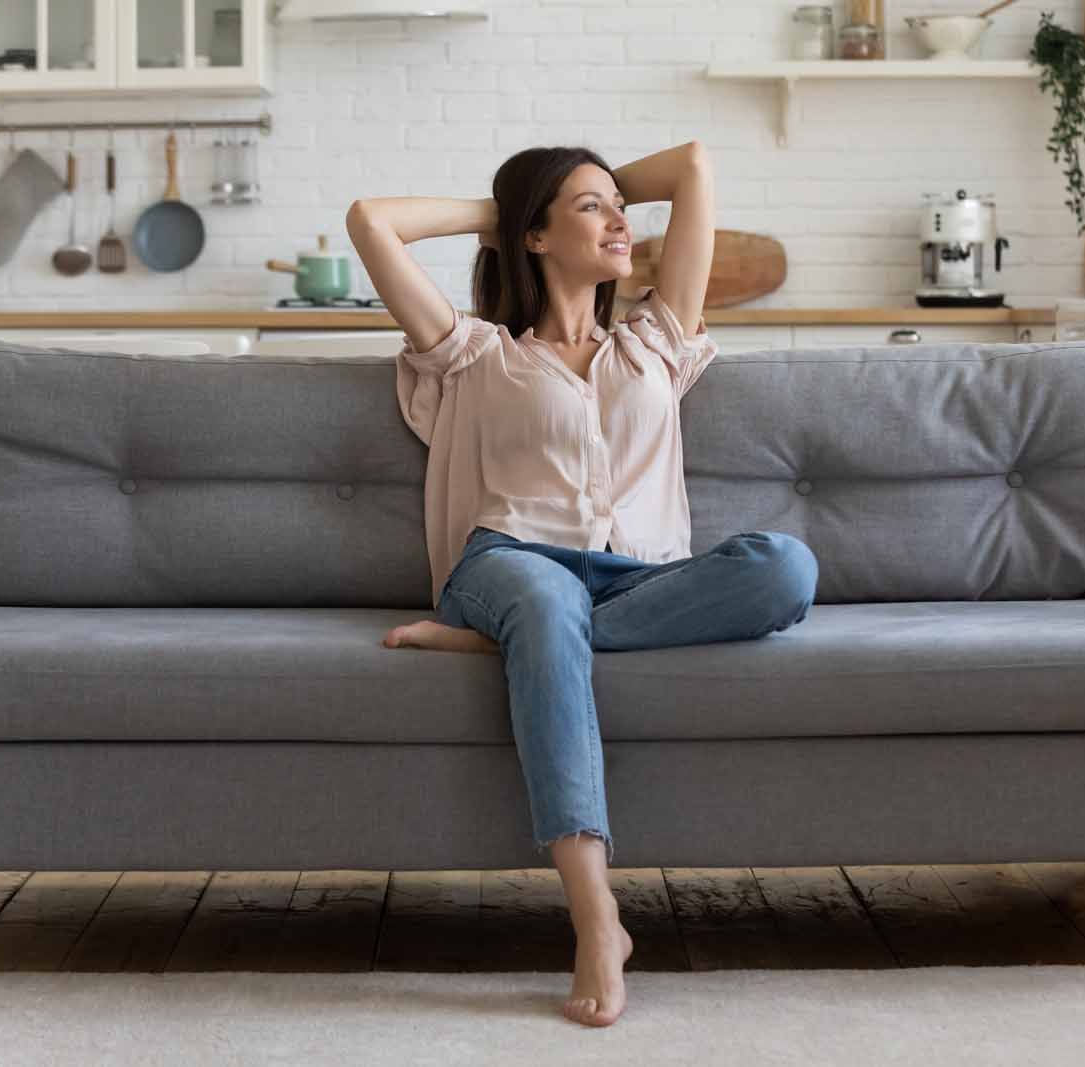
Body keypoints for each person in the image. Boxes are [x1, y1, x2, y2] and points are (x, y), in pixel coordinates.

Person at [345, 141, 818, 1028]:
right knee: (544, 600)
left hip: (638, 580)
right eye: (592, 208)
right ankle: (596, 913)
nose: (621, 221)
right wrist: (501, 210)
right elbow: (371, 221)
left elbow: (692, 167)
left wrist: (582, 200)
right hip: (512, 563)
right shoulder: (474, 353)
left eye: (618, 206)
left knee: (787, 567)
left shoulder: (658, 344)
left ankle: (519, 645)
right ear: (533, 237)